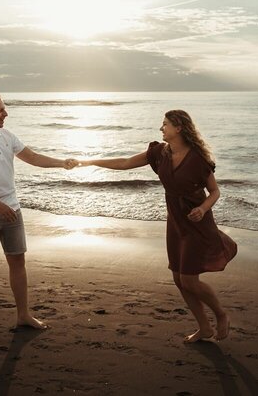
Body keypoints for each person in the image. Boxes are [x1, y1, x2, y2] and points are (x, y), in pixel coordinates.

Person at [78, 110, 237, 343]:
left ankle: (221, 315)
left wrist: (202, 208)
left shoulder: (197, 159)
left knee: (189, 280)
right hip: (175, 222)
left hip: (196, 222)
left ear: (179, 128)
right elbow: (124, 163)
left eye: (165, 125)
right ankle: (204, 327)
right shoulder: (159, 153)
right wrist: (90, 161)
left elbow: (215, 191)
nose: (161, 129)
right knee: (178, 279)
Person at [0, 92, 76, 343]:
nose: (5, 113)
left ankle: (23, 315)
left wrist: (62, 163)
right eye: (0, 110)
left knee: (18, 263)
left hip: (12, 210)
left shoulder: (7, 136)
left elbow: (32, 157)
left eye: (4, 109)